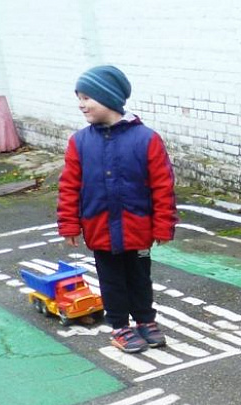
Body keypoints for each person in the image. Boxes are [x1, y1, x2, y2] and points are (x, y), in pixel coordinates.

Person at [57, 65, 178, 354]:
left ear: (109, 98)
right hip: (100, 228)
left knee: (139, 278)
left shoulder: (146, 139)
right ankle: (120, 327)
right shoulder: (80, 142)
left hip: (138, 228)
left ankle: (146, 321)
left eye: (87, 97)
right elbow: (70, 185)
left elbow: (162, 186)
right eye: (79, 97)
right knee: (111, 281)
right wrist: (69, 223)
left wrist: (163, 225)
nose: (81, 104)